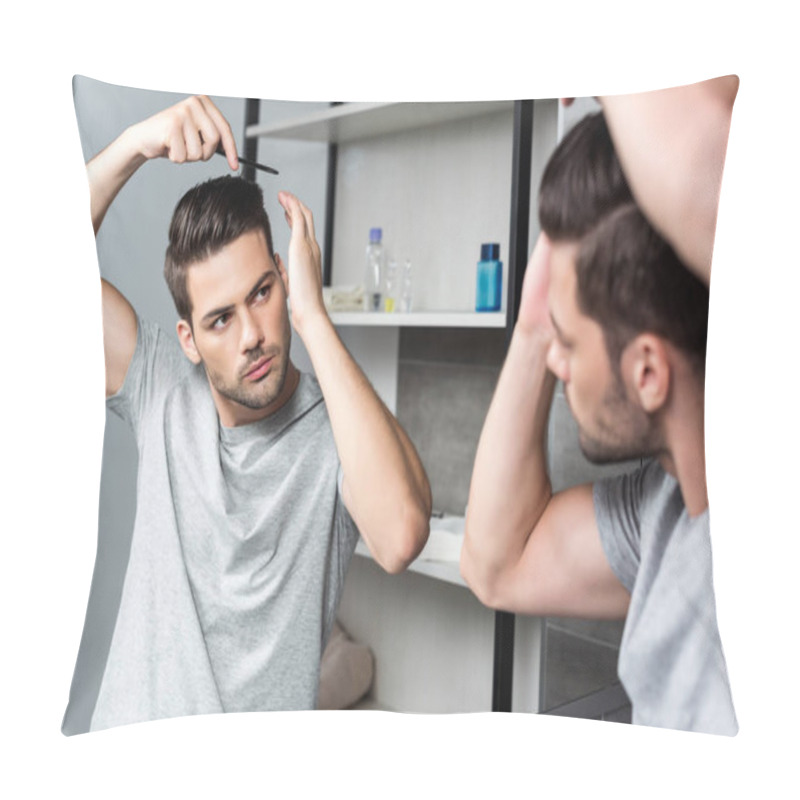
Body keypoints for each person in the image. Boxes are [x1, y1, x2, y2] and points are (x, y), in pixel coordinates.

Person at [74, 95, 432, 732]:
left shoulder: (336, 434)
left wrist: (313, 319)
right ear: (189, 338)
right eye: (220, 319)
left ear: (285, 280)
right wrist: (133, 145)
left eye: (261, 293)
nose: (251, 337)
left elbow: (402, 536)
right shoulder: (158, 380)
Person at [460, 110, 737, 735]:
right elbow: (496, 565)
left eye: (567, 343)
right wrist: (536, 327)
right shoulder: (666, 511)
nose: (555, 362)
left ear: (646, 373)